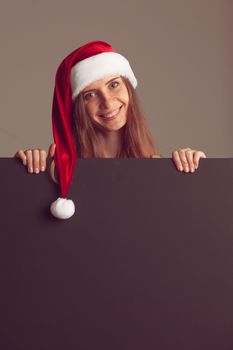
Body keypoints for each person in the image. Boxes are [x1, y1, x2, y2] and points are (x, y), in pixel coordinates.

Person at [14, 40, 206, 219]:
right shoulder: (57, 171)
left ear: (128, 88)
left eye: (113, 85)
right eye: (90, 95)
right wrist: (26, 172)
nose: (107, 102)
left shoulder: (156, 169)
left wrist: (196, 172)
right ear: (78, 108)